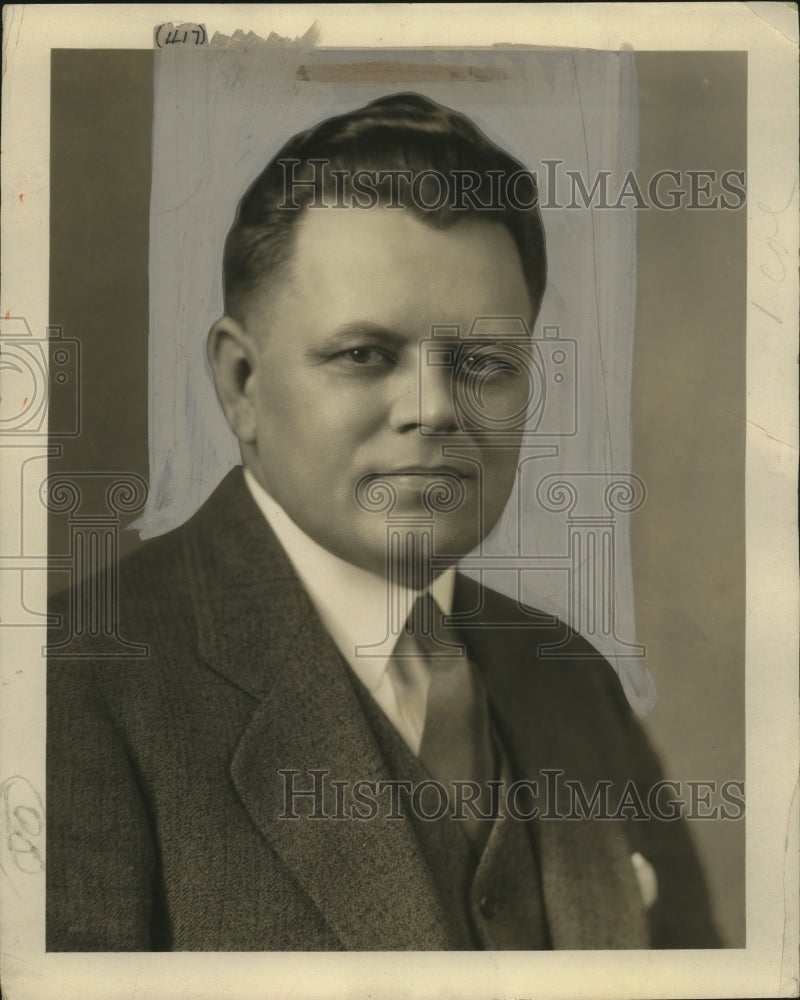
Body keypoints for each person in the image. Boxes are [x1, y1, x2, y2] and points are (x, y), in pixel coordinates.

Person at [47, 93, 719, 951]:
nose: (437, 411)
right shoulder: (66, 692)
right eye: (365, 355)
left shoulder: (569, 679)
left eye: (484, 362)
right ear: (242, 383)